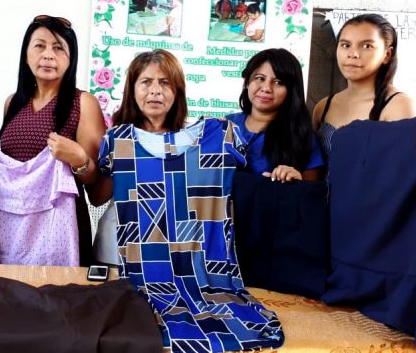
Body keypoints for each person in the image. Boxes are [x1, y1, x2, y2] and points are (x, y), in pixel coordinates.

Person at [90, 49, 284, 351]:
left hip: (200, 272)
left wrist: (285, 174)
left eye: (165, 82)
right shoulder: (117, 140)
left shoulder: (215, 138)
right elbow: (98, 194)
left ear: (178, 90)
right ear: (132, 89)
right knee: (127, 329)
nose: (155, 90)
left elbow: (249, 179)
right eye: (146, 82)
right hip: (120, 257)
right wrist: (81, 164)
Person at [0, 14, 105, 266]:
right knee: (8, 289)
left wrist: (79, 160)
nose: (48, 55)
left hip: (61, 229)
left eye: (58, 48)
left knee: (58, 290)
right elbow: (13, 171)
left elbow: (97, 186)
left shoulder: (83, 103)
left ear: (71, 58)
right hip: (12, 229)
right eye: (39, 46)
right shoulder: (13, 102)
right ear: (26, 55)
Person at [313, 13, 414, 159]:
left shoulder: (399, 105)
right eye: (345, 45)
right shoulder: (323, 107)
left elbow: (404, 168)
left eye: (367, 46)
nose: (353, 54)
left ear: (387, 54)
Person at [226, 48, 324, 182]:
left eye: (278, 82)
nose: (266, 88)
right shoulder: (225, 126)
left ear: (291, 90)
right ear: (247, 82)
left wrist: (296, 180)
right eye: (260, 78)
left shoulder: (302, 136)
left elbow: (312, 190)